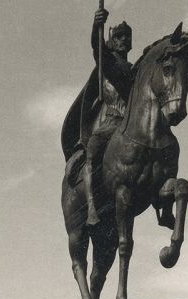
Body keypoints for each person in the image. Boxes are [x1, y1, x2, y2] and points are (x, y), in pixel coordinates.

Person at [61, 7, 136, 226]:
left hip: (131, 121)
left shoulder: (135, 70)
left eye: (127, 37)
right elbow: (97, 46)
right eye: (118, 36)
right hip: (112, 119)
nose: (123, 40)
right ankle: (92, 207)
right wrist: (97, 25)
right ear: (112, 41)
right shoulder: (108, 64)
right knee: (92, 149)